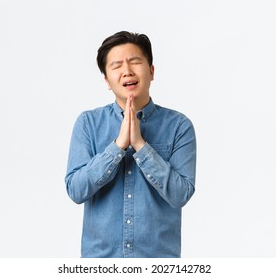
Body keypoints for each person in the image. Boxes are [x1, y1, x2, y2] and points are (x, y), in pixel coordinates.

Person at [65, 31, 197, 258]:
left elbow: (180, 194)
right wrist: (117, 147)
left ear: (152, 71)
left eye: (135, 62)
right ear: (107, 80)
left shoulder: (179, 126)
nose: (127, 70)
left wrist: (140, 145)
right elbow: (76, 191)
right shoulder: (88, 123)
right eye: (116, 66)